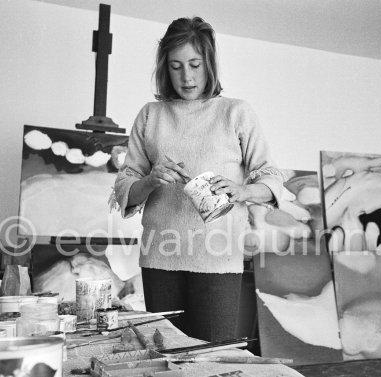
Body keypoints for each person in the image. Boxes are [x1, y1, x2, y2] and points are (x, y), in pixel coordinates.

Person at [113, 17, 283, 342]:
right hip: (159, 258)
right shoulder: (150, 115)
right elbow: (124, 188)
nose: (186, 76)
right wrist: (150, 180)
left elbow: (272, 178)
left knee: (211, 358)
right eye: (176, 66)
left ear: (210, 63)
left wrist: (241, 190)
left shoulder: (236, 113)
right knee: (165, 356)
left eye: (194, 64)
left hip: (218, 259)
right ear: (165, 67)